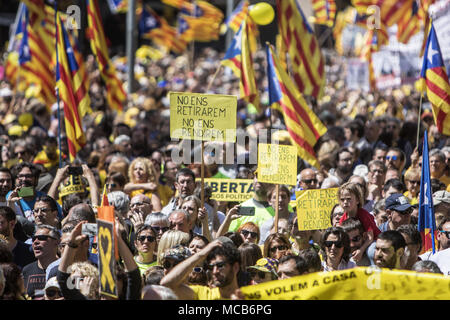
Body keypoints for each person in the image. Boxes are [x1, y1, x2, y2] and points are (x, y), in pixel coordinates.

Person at [160, 240, 241, 300]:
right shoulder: (202, 294)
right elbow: (167, 284)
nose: (215, 271)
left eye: (220, 266)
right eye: (211, 267)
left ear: (235, 267)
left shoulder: (250, 296)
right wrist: (201, 254)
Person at [22, 224, 60, 299]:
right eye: (33, 239)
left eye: (41, 238)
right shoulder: (26, 270)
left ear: (56, 242)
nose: (35, 242)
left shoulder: (64, 269)